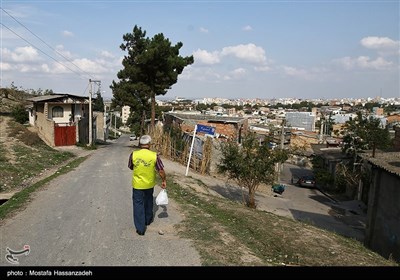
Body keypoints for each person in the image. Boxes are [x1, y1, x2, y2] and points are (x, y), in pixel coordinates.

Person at [128, 135, 166, 236]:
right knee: (149, 201)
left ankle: (140, 228)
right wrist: (164, 180)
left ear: (140, 144)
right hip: (149, 184)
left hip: (137, 185)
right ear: (149, 144)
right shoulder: (154, 155)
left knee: (138, 204)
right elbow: (160, 170)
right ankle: (148, 220)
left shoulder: (134, 154)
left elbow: (131, 167)